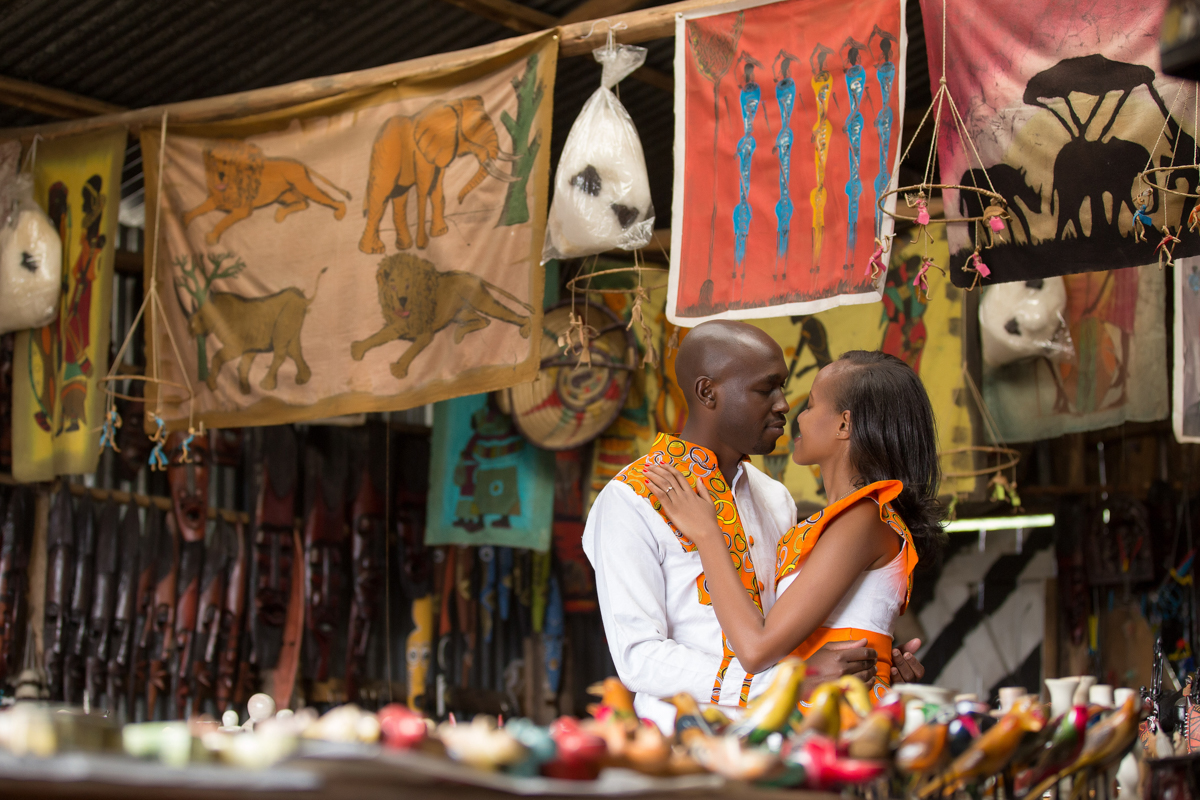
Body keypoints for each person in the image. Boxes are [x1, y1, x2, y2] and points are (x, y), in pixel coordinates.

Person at [583, 322, 925, 733]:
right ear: (708, 392)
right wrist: (781, 682)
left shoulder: (774, 497)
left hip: (781, 740)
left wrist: (874, 653)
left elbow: (787, 626)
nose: (785, 405)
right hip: (682, 745)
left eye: (785, 389)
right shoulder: (632, 499)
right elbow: (638, 656)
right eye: (767, 390)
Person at [645, 349, 943, 702]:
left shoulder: (861, 519)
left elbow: (756, 650)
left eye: (811, 404)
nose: (794, 414)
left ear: (844, 424)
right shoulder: (839, 518)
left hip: (841, 721)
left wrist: (707, 533)